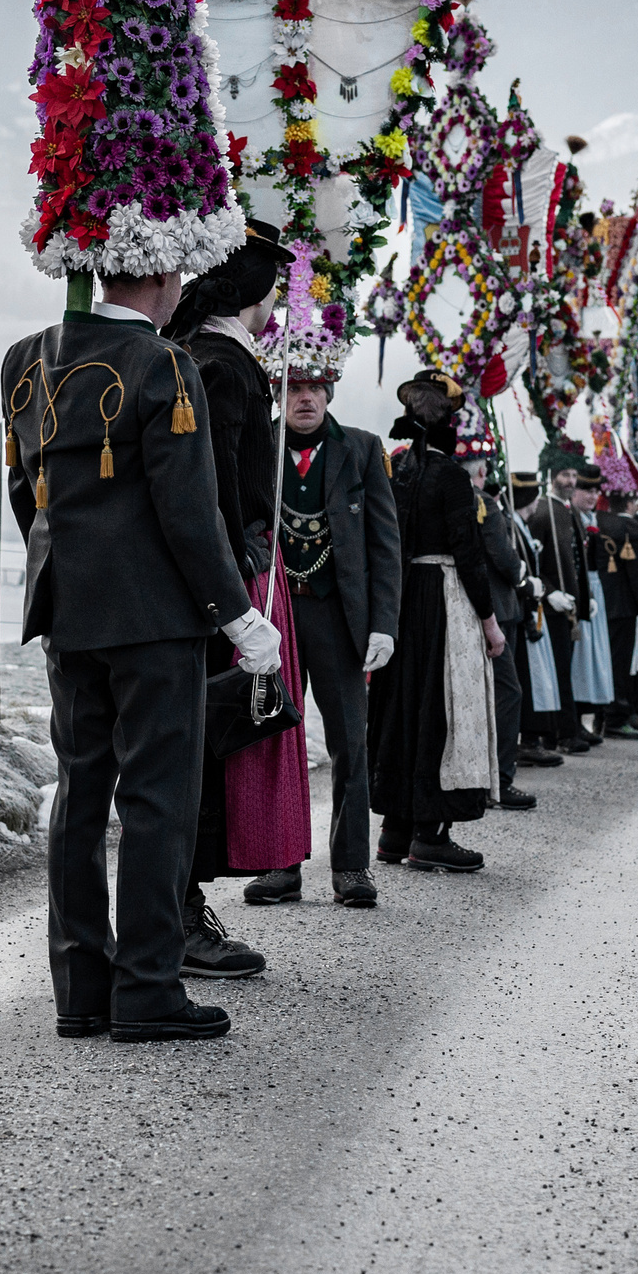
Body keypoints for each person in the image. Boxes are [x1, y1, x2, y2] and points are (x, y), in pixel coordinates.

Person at [2, 272, 277, 1040]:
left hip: (68, 608)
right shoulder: (164, 365)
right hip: (154, 617)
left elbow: (28, 494)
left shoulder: (22, 358)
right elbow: (190, 513)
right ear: (159, 273)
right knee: (158, 799)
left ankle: (81, 986)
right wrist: (239, 615)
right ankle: (148, 985)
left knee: (80, 796)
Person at [164, 227, 294, 976]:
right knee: (202, 743)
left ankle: (184, 907)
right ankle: (180, 915)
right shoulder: (219, 365)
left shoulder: (222, 358)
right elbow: (209, 480)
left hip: (231, 569)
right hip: (218, 580)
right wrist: (242, 552)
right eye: (271, 284)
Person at [243, 352, 401, 906]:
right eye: (294, 388)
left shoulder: (361, 449)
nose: (304, 398)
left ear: (330, 391)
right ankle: (281, 864)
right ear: (278, 393)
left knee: (349, 742)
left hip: (339, 617)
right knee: (277, 739)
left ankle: (352, 866)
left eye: (315, 387)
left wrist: (384, 625)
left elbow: (385, 545)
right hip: (274, 615)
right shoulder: (255, 444)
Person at [368, 371, 505, 870]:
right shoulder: (450, 476)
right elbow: (467, 553)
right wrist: (489, 621)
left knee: (401, 710)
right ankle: (431, 830)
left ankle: (394, 831)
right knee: (439, 711)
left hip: (400, 600)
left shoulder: (396, 467)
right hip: (443, 600)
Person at [463, 419, 539, 811]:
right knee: (508, 694)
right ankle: (501, 777)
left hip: (471, 607)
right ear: (480, 468)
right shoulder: (485, 503)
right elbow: (504, 558)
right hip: (496, 605)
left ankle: (486, 776)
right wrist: (525, 577)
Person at [529, 453, 595, 752]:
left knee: (567, 670)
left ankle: (569, 727)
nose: (570, 481)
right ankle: (559, 732)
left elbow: (578, 562)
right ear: (552, 475)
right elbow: (533, 560)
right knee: (555, 672)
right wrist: (549, 592)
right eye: (564, 475)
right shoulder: (542, 511)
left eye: (573, 475)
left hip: (571, 605)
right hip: (551, 606)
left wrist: (586, 597)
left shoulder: (570, 513)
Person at [507, 471, 566, 768]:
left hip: (532, 608)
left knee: (537, 677)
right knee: (528, 679)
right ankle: (528, 740)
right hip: (524, 610)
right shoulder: (513, 526)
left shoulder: (522, 527)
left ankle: (533, 737)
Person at [595, 462, 638, 736]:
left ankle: (602, 715)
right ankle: (617, 716)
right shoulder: (632, 528)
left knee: (604, 660)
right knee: (621, 665)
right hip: (624, 605)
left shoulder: (597, 521)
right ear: (630, 502)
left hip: (601, 602)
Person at [567, 462, 628, 738]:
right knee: (580, 658)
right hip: (579, 590)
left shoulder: (596, 521)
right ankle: (574, 721)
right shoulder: (569, 519)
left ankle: (590, 717)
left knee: (594, 657)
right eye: (585, 490)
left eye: (595, 491)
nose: (591, 497)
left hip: (597, 591)